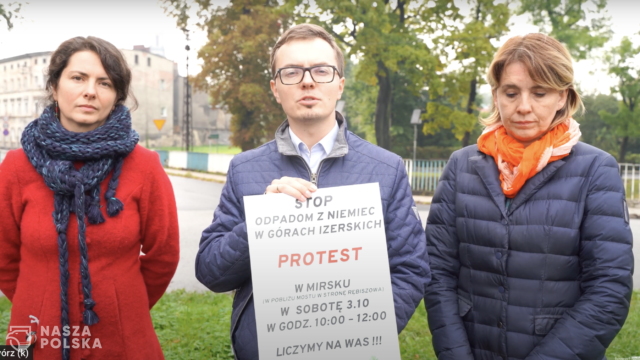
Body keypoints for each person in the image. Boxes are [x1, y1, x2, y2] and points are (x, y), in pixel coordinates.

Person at [195, 23, 430, 359]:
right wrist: (263, 220)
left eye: (321, 70)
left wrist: (362, 333)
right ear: (276, 89)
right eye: (292, 72)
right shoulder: (244, 169)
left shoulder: (387, 169)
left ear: (340, 84)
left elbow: (411, 267)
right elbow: (211, 271)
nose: (307, 81)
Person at [424, 33, 634, 360]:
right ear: (496, 96)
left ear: (563, 97)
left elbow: (608, 290)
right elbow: (438, 274)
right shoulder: (462, 165)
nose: (523, 107)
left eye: (539, 93)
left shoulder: (595, 169)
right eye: (511, 93)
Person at [0, 36, 180, 360]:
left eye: (105, 83)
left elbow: (163, 256)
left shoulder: (145, 166)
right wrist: (40, 302)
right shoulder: (16, 167)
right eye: (78, 78)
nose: (90, 91)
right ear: (54, 87)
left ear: (116, 97)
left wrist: (122, 304)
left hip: (125, 339)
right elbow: (3, 257)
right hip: (37, 337)